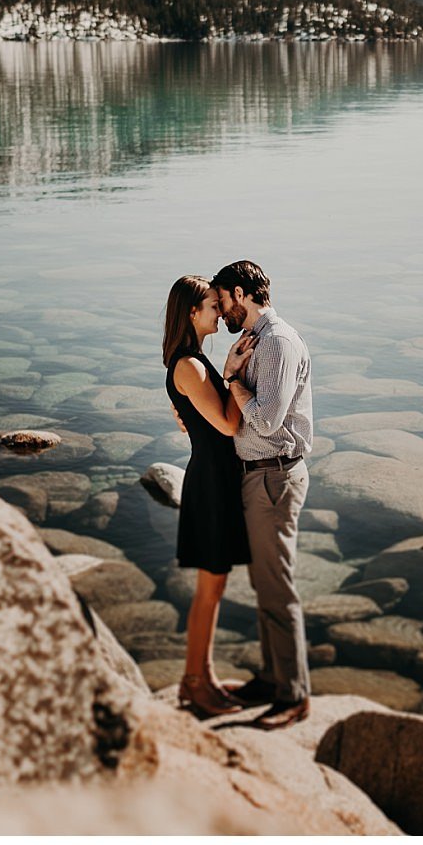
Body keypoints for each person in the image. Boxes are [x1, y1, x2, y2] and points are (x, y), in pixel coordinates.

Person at [212, 259, 314, 730]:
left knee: (278, 587)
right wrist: (233, 369)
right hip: (259, 475)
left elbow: (268, 420)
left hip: (274, 474)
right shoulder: (259, 341)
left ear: (240, 293)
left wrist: (232, 381)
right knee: (264, 584)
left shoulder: (278, 342)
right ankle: (274, 678)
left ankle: (294, 695)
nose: (221, 310)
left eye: (222, 299)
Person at [161, 275, 256, 717]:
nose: (220, 312)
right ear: (192, 313)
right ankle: (194, 683)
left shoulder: (194, 362)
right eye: (213, 306)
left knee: (214, 587)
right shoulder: (190, 365)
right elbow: (227, 426)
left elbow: (203, 415)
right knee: (209, 588)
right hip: (211, 484)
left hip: (217, 478)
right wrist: (234, 374)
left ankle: (204, 676)